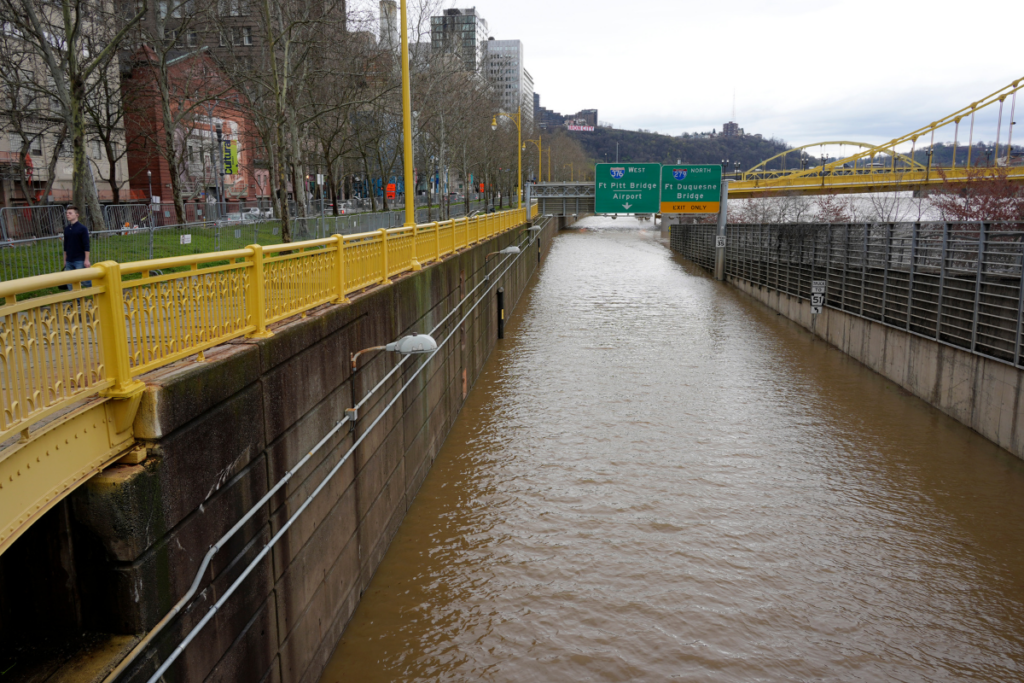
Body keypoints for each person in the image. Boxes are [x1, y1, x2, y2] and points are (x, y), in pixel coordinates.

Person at [61, 205, 91, 289]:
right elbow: (65, 246)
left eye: (70, 213)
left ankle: (97, 294)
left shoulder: (82, 229)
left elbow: (86, 244)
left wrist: (86, 259)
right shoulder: (67, 229)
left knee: (85, 280)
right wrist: (65, 260)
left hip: (79, 260)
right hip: (69, 260)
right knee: (70, 282)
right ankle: (76, 301)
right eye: (67, 213)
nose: (68, 215)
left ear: (77, 215)